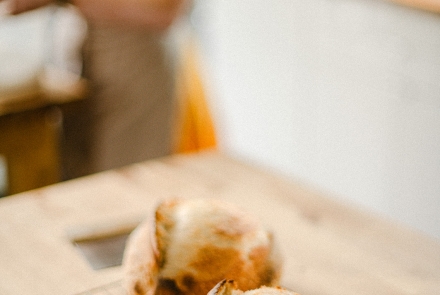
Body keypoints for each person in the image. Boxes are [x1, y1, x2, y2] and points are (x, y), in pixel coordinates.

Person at [1, 0, 189, 179]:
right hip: (89, 55)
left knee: (123, 183)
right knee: (79, 177)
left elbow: (162, 10)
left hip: (136, 62)